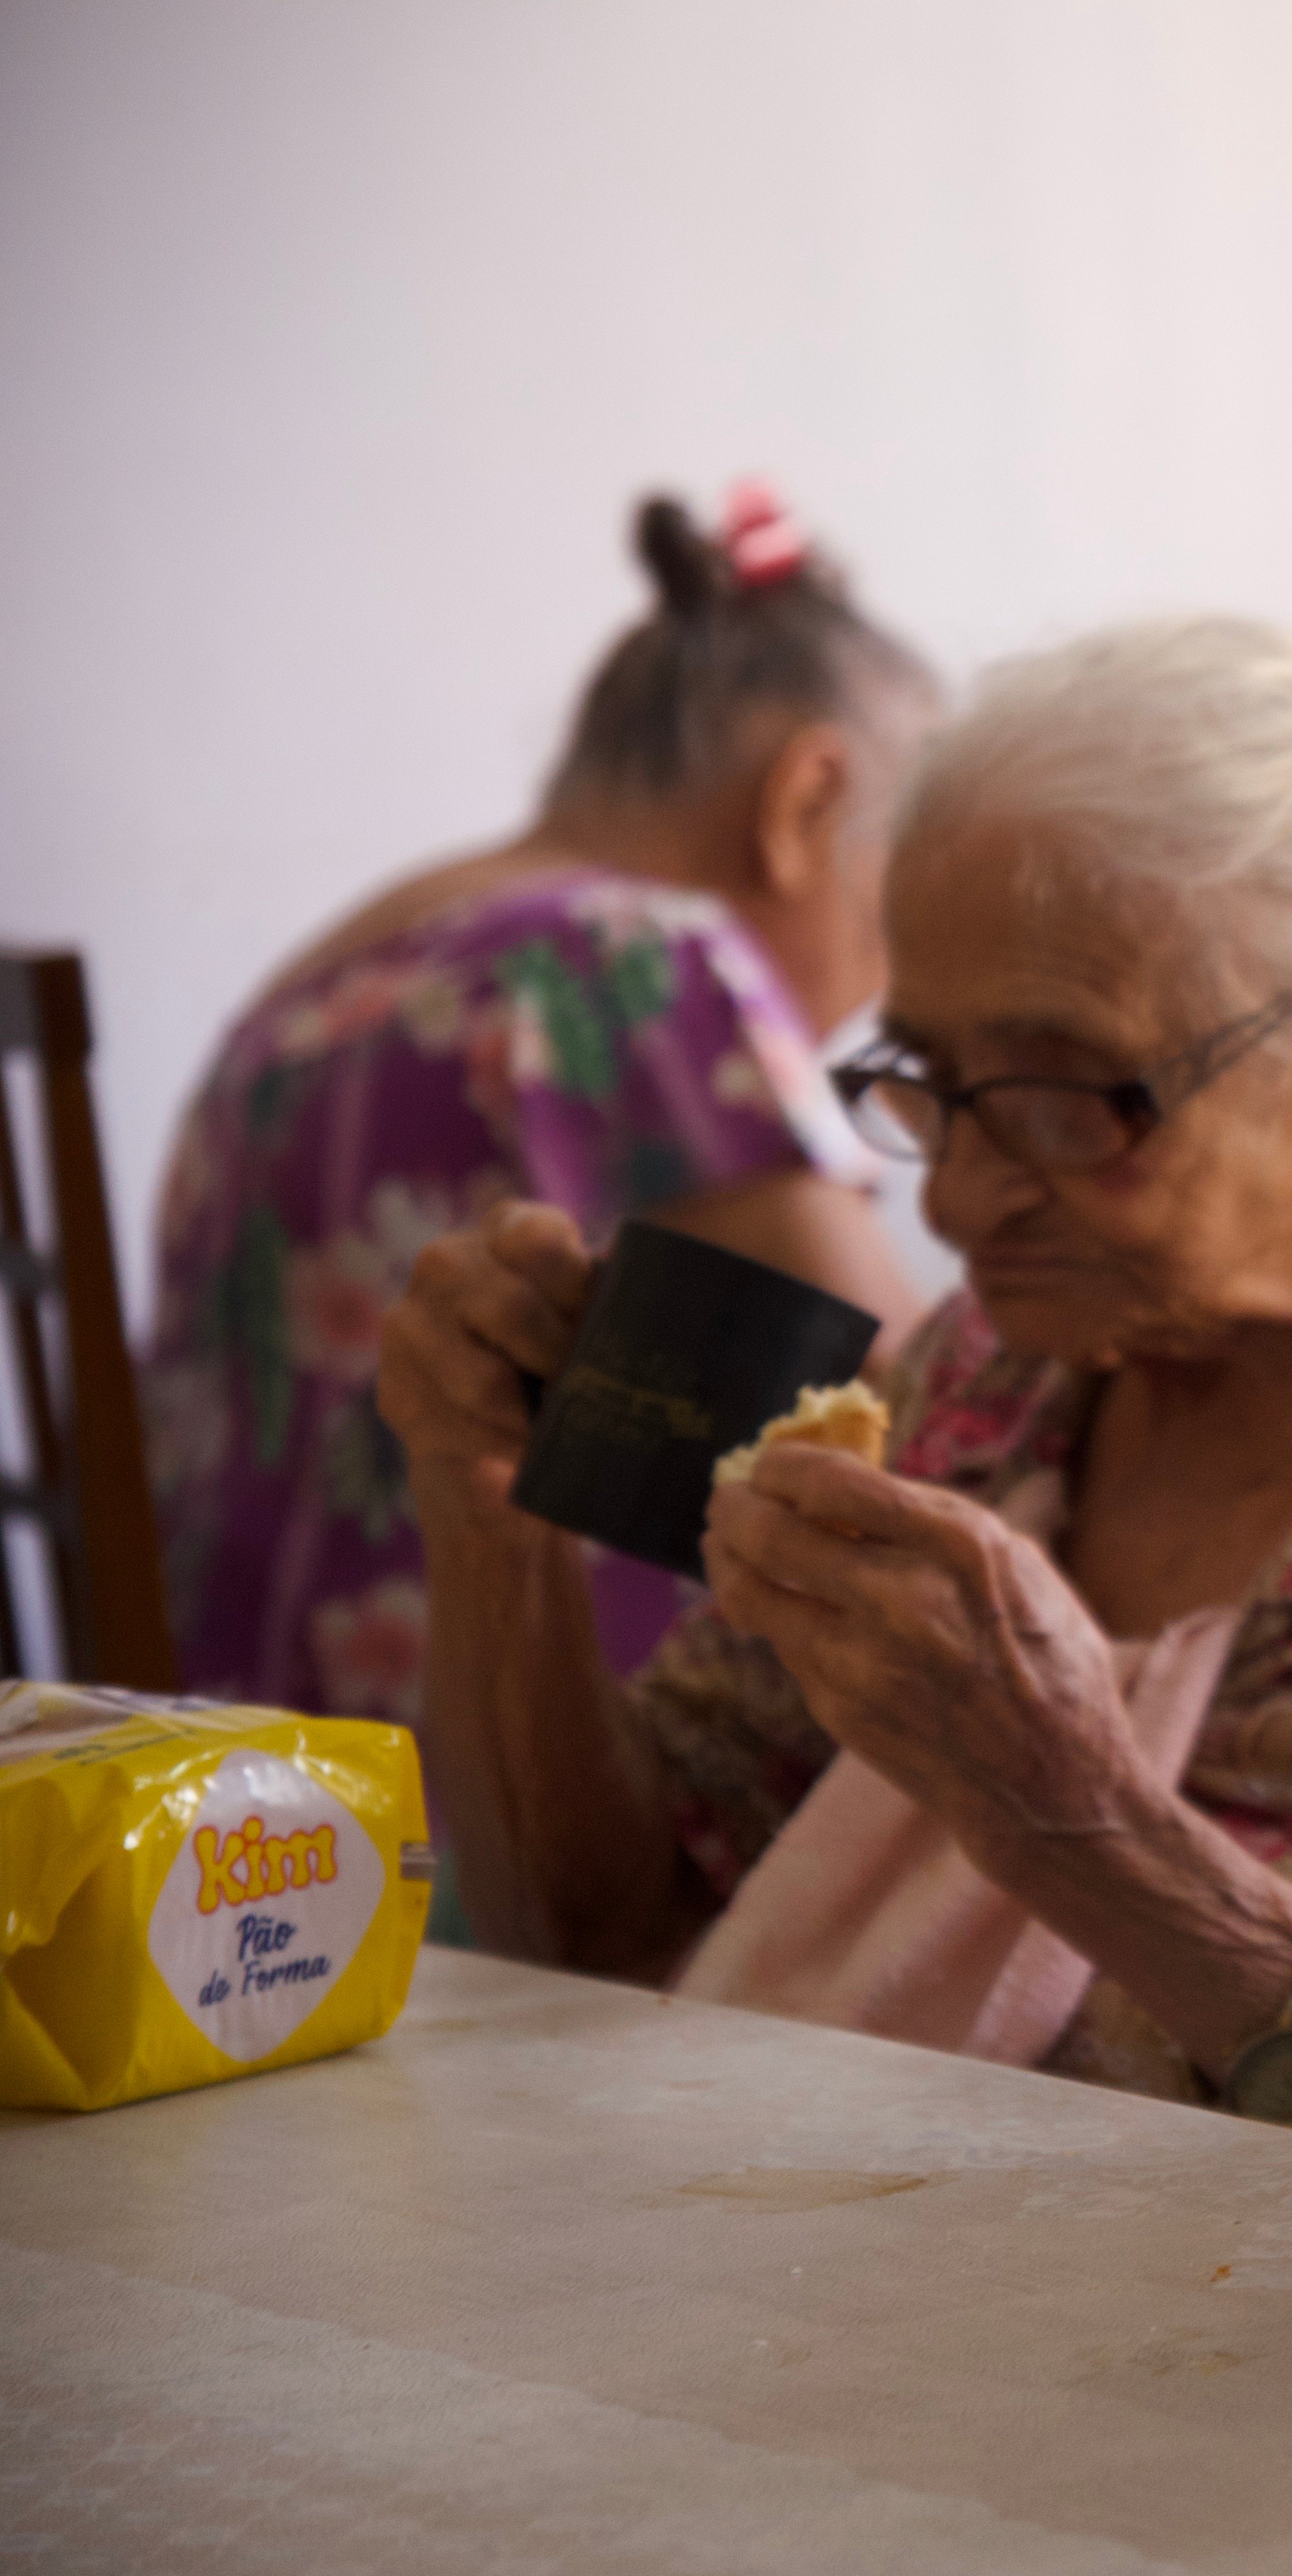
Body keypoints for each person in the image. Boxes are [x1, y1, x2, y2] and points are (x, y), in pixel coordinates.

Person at [375, 617, 1292, 2131]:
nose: (952, 1204)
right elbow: (601, 1932)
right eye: (929, 1085)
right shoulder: (989, 1383)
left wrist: (1083, 1820)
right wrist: (494, 1522)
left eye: (1069, 1096)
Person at [140, 486, 932, 1724]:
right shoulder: (630, 958)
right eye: (897, 900)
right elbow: (920, 1391)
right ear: (806, 807)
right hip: (463, 1809)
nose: (887, 979)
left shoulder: (347, 959)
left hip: (223, 1766)